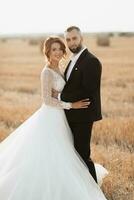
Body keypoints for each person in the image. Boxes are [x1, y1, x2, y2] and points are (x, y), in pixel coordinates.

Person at [0, 36, 108, 200]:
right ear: (48, 52)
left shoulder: (61, 68)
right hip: (50, 117)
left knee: (66, 151)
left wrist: (65, 98)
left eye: (59, 49)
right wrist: (71, 105)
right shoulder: (46, 72)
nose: (57, 52)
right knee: (51, 152)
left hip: (61, 117)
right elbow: (47, 100)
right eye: (53, 50)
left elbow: (62, 93)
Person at [52, 26, 102, 183]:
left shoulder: (91, 61)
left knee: (82, 155)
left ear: (82, 38)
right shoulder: (72, 59)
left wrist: (60, 96)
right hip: (72, 113)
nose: (71, 42)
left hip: (83, 115)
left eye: (74, 38)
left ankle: (93, 190)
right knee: (72, 154)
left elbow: (87, 90)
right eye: (68, 39)